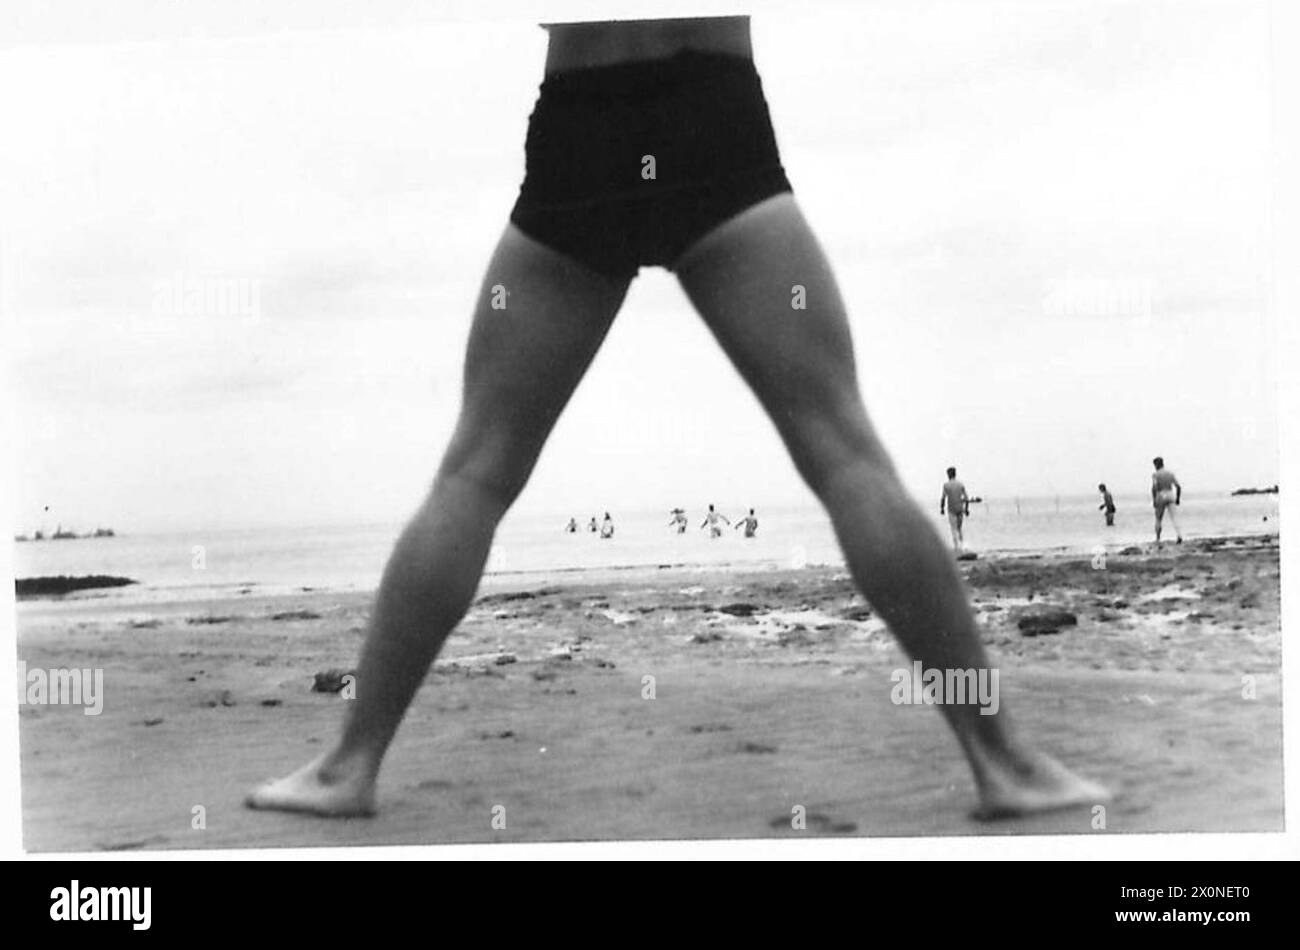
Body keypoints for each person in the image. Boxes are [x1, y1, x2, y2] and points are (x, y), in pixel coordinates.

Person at [247, 15, 1106, 821]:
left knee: (475, 473)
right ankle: (1004, 764)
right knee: (847, 455)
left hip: (581, 133)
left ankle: (347, 767)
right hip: (713, 118)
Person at [1151, 457, 1182, 544]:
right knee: (1174, 517)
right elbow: (1178, 487)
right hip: (1170, 494)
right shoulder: (1170, 473)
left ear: (1157, 464)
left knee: (1158, 518)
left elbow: (1154, 487)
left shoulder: (1155, 475)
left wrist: (1154, 499)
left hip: (1161, 494)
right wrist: (1178, 498)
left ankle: (1158, 538)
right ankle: (1179, 535)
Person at [940, 467, 970, 554]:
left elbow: (943, 498)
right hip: (960, 508)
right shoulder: (960, 484)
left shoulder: (946, 485)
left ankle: (957, 548)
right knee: (959, 529)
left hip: (951, 509)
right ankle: (962, 546)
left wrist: (942, 508)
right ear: (955, 474)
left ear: (949, 474)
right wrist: (967, 509)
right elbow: (967, 498)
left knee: (954, 529)